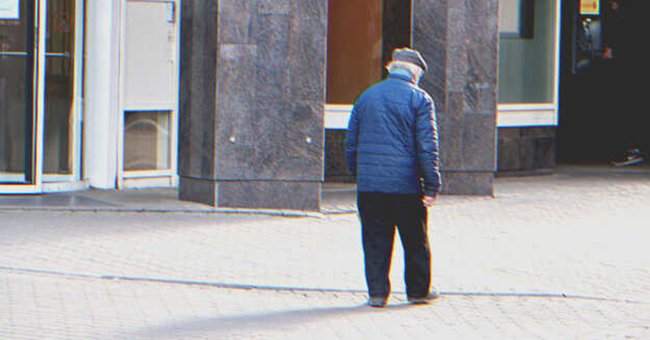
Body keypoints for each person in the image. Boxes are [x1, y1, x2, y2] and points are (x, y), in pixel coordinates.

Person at [345, 47, 442, 308]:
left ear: (392, 69)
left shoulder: (366, 97)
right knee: (415, 240)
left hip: (370, 186)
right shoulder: (420, 99)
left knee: (375, 240)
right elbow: (427, 147)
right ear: (415, 73)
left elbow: (351, 142)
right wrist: (431, 184)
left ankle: (377, 294)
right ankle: (418, 291)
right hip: (406, 186)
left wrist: (360, 173)